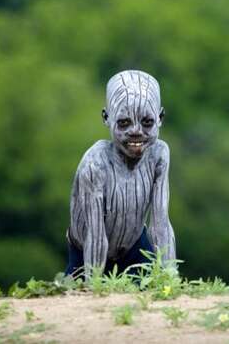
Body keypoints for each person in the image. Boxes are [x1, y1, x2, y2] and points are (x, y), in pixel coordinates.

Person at [65, 70, 176, 278]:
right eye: (124, 123)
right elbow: (95, 234)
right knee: (81, 302)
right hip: (86, 250)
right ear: (107, 118)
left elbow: (160, 221)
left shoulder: (159, 154)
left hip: (134, 246)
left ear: (160, 118)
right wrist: (94, 285)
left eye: (147, 123)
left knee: (155, 299)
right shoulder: (96, 162)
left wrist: (170, 277)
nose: (136, 131)